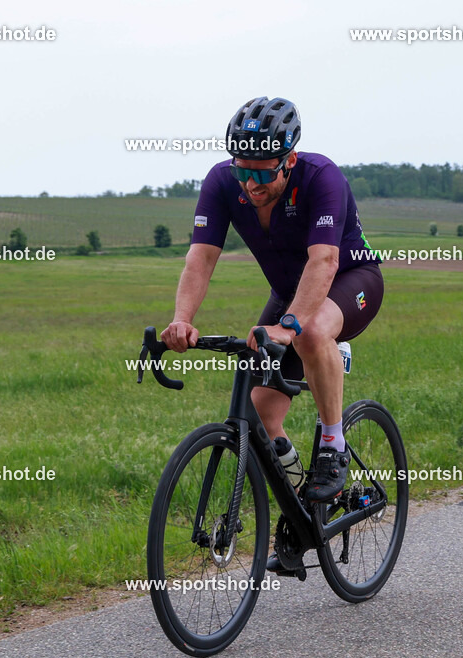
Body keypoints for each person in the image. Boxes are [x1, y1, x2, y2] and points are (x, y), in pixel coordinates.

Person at [160, 97, 384, 563]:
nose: (252, 183)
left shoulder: (322, 177)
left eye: (264, 172)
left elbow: (323, 261)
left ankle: (332, 445)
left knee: (309, 331)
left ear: (290, 159)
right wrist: (182, 319)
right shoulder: (224, 183)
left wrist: (289, 327)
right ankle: (301, 506)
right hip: (291, 293)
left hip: (350, 281)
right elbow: (200, 259)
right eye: (244, 170)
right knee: (261, 413)